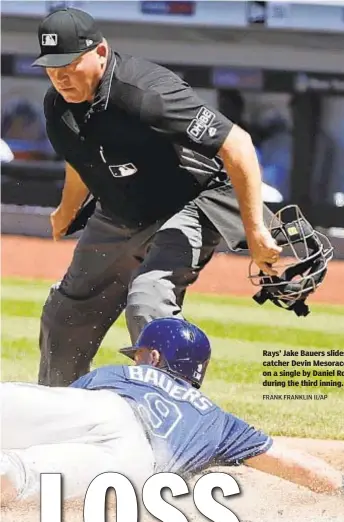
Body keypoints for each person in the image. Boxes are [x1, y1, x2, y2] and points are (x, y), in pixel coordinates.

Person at [31, 7, 282, 388]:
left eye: (69, 63)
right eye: (51, 67)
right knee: (64, 315)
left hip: (189, 203)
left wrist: (257, 231)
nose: (60, 76)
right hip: (119, 212)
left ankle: (169, 416)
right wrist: (65, 211)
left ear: (100, 52)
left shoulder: (145, 94)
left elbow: (238, 145)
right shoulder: (58, 104)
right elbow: (80, 159)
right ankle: (58, 411)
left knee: (148, 301)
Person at [1, 318, 344, 507]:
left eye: (141, 353)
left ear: (155, 358)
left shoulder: (115, 374)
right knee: (20, 475)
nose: (138, 358)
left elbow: (50, 421)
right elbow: (300, 466)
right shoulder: (220, 421)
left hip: (103, 405)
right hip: (137, 463)